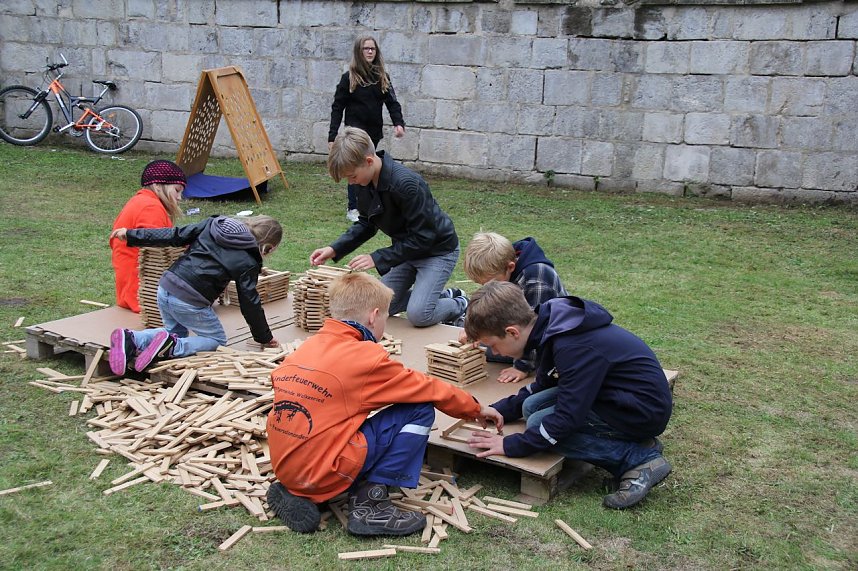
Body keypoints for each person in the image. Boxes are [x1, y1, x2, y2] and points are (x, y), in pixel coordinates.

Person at [265, 271, 503, 536]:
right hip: (324, 469)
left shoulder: (307, 347)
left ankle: (299, 490)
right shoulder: (364, 357)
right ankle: (370, 504)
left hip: (286, 466)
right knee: (419, 408)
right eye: (386, 318)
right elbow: (428, 388)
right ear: (373, 316)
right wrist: (475, 408)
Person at [464, 281, 673, 510]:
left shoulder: (572, 346)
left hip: (641, 411)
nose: (494, 352)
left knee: (539, 424)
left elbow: (567, 419)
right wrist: (498, 410)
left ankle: (638, 459)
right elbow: (544, 383)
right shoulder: (550, 323)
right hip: (615, 396)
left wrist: (512, 445)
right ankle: (637, 442)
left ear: (512, 332)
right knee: (532, 406)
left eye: (492, 345)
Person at [310, 127, 467, 328]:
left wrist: (377, 258)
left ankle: (459, 303)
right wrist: (334, 249)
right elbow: (367, 223)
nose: (351, 182)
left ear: (368, 161)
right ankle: (436, 297)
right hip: (407, 252)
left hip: (437, 251)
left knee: (419, 315)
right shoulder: (364, 182)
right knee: (375, 305)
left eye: (352, 176)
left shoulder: (407, 185)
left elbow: (424, 237)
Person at [107, 215, 283, 375]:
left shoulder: (214, 225)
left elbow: (174, 235)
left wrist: (132, 235)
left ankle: (132, 338)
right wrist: (264, 338)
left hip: (166, 286)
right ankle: (173, 347)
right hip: (189, 299)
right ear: (269, 248)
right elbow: (250, 304)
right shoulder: (249, 260)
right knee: (216, 340)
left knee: (174, 333)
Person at [460, 232, 568, 383]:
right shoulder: (501, 266)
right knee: (485, 342)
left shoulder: (537, 280)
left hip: (548, 342)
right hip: (519, 331)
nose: (487, 287)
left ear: (510, 267)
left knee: (490, 347)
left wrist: (522, 366)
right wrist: (475, 330)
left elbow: (537, 328)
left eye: (490, 283)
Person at [329, 35, 405, 222]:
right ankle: (353, 207)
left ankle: (369, 203)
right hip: (354, 135)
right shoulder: (349, 78)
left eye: (373, 49)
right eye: (366, 49)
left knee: (368, 168)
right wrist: (332, 136)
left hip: (373, 134)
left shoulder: (382, 78)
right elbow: (337, 107)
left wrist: (398, 123)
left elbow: (392, 102)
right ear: (359, 51)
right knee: (354, 167)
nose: (370, 52)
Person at [110, 159, 185, 313]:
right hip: (144, 295)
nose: (179, 198)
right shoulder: (151, 207)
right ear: (157, 185)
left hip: (130, 290)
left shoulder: (139, 201)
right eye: (177, 190)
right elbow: (157, 256)